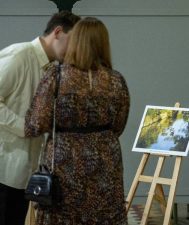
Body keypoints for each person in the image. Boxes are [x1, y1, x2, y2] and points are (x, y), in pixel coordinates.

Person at [25, 17, 130, 225]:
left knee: (63, 216)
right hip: (105, 159)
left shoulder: (56, 76)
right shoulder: (116, 80)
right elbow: (119, 124)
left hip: (64, 161)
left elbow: (36, 123)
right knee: (103, 214)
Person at [0, 11, 80, 225]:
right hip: (4, 167)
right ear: (58, 32)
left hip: (23, 169)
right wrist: (26, 126)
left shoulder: (52, 68)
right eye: (73, 42)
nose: (75, 50)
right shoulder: (20, 55)